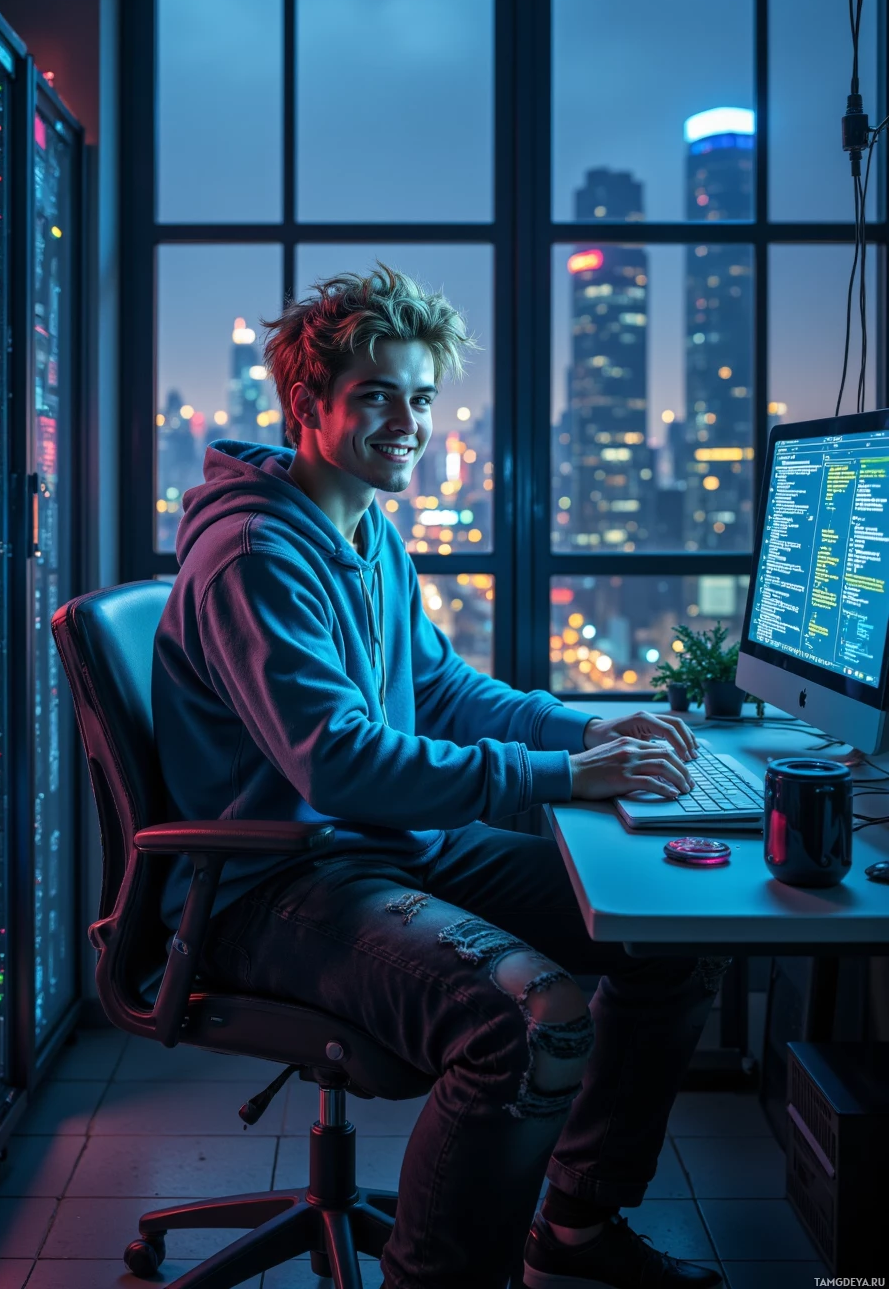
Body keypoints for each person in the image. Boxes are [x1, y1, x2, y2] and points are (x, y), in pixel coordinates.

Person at [153, 265, 726, 1289]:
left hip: (386, 849)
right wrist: (559, 777)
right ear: (306, 407)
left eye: (420, 397)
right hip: (282, 883)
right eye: (376, 395)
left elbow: (444, 691)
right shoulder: (253, 552)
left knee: (665, 934)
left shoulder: (363, 531)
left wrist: (587, 728)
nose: (407, 422)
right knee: (527, 1019)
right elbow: (338, 763)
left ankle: (576, 1230)